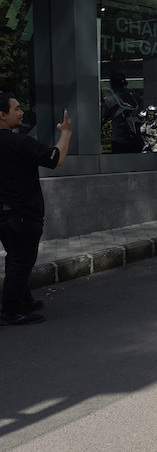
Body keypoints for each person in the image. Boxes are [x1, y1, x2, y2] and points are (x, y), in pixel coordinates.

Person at [0, 92, 72, 325]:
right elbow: (55, 158)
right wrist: (66, 133)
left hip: (4, 214)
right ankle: (11, 311)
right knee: (21, 261)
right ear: (2, 114)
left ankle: (24, 300)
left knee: (15, 258)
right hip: (22, 213)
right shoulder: (18, 142)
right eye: (16, 109)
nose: (21, 113)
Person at [102, 72, 143, 153]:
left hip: (119, 139)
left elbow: (104, 117)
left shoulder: (111, 100)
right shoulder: (135, 97)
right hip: (135, 137)